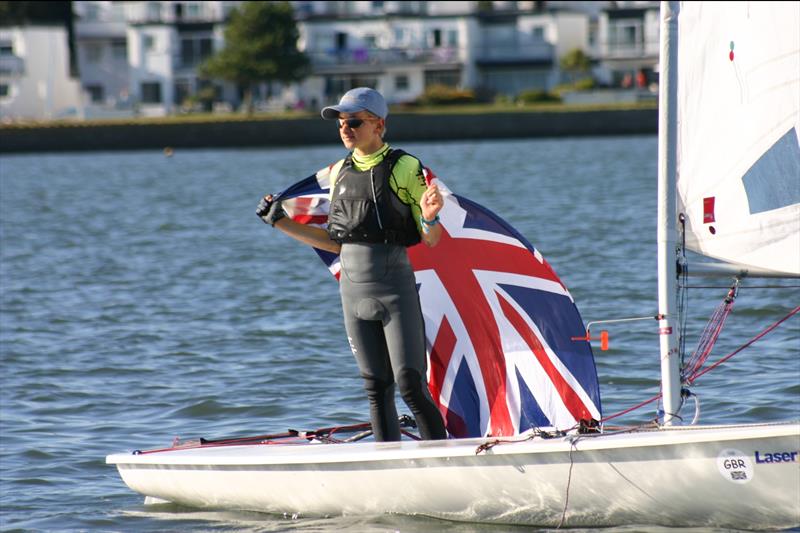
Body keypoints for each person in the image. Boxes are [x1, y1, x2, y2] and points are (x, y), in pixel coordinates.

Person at [257, 87, 448, 441]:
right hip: (352, 294)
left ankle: (446, 459)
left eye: (354, 122)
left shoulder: (405, 167)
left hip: (395, 292)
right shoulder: (338, 172)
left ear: (379, 125)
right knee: (376, 387)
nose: (346, 129)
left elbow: (431, 239)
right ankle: (388, 467)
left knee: (410, 385)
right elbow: (336, 244)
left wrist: (430, 218)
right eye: (342, 123)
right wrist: (280, 223)